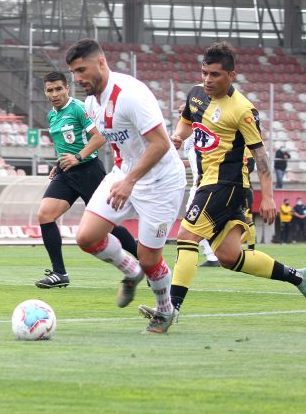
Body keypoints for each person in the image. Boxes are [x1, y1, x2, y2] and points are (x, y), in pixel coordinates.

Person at [139, 41, 306, 328]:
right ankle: (298, 278)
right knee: (229, 256)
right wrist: (178, 137)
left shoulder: (242, 110)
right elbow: (186, 122)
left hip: (226, 183)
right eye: (204, 73)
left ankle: (170, 309)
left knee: (187, 237)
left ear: (231, 75)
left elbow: (261, 155)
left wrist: (268, 197)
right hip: (210, 182)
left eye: (215, 75)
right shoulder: (195, 96)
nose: (207, 80)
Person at [66, 38, 186, 334]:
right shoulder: (93, 102)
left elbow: (160, 143)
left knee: (150, 259)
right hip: (126, 175)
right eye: (74, 73)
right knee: (87, 237)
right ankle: (129, 271)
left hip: (160, 182)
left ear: (101, 63)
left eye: (82, 70)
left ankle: (164, 310)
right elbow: (114, 138)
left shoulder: (131, 94)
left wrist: (130, 181)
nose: (78, 79)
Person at [34, 71, 140, 289]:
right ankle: (59, 273)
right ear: (45, 92)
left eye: (58, 89)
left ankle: (148, 261)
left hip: (88, 170)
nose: (54, 94)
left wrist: (78, 157)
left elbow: (100, 136)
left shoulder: (79, 108)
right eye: (50, 90)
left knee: (106, 225)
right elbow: (64, 144)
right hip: (67, 173)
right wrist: (59, 164)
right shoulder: (52, 115)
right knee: (45, 215)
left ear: (67, 89)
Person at [180, 108, 220, 268]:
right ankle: (212, 256)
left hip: (204, 183)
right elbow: (194, 159)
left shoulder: (202, 133)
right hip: (198, 182)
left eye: (183, 111)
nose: (180, 115)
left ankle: (206, 256)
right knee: (196, 220)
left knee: (191, 220)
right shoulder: (188, 138)